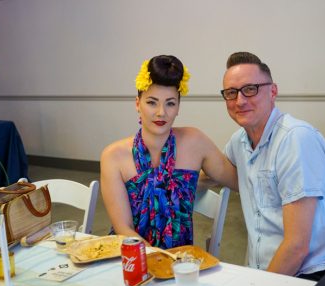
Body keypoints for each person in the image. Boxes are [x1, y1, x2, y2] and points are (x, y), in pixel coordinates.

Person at [220, 52, 325, 283]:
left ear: (273, 91)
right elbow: (211, 173)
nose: (240, 100)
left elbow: (297, 247)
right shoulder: (240, 141)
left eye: (250, 89)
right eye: (231, 93)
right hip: (268, 272)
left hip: (318, 275)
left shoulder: (296, 139)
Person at [100, 55, 237, 250]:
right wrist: (157, 261)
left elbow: (237, 180)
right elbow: (124, 228)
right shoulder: (113, 156)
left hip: (180, 264)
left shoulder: (195, 141)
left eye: (170, 103)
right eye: (152, 102)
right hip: (132, 259)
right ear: (138, 104)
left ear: (178, 107)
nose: (161, 112)